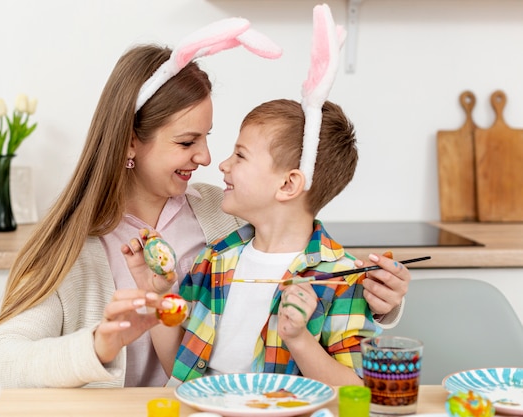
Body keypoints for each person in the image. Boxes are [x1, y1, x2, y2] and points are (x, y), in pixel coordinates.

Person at [0, 20, 408, 389]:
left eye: (208, 137)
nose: (206, 158)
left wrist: (381, 303)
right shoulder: (69, 243)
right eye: (187, 141)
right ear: (131, 141)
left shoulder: (224, 214)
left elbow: (301, 242)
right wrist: (100, 343)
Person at [149, 98, 385, 387]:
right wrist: (158, 295)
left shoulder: (343, 279)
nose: (223, 164)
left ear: (287, 184)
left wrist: (299, 339)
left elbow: (357, 391)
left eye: (240, 155)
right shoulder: (213, 260)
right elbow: (178, 368)